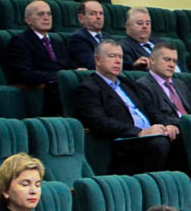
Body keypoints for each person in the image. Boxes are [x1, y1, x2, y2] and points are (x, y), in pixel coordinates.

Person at [72, 40, 176, 173]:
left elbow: (151, 110)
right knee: (159, 144)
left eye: (120, 57)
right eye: (112, 56)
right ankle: (151, 184)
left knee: (179, 138)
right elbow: (99, 121)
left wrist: (167, 125)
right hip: (125, 142)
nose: (117, 61)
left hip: (149, 136)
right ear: (98, 60)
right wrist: (139, 132)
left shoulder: (129, 84)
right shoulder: (89, 88)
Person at [1, 0, 66, 89]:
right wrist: (61, 76)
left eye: (49, 14)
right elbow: (26, 74)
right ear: (28, 20)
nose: (46, 17)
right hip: (43, 88)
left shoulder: (57, 43)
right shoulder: (20, 41)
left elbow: (67, 66)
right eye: (41, 14)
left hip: (60, 84)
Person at [131, 41, 190, 120]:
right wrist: (187, 124)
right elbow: (156, 117)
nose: (172, 65)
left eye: (174, 61)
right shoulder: (143, 85)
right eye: (167, 60)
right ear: (152, 60)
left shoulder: (181, 85)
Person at [66, 0, 111, 70]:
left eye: (101, 13)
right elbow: (91, 64)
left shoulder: (108, 37)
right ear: (81, 18)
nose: (99, 17)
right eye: (93, 13)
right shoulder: (78, 38)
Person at [119, 7, 156, 72]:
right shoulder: (123, 47)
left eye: (147, 23)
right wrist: (134, 66)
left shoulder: (161, 42)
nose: (145, 26)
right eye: (140, 23)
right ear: (127, 26)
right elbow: (127, 71)